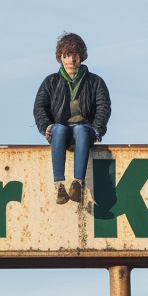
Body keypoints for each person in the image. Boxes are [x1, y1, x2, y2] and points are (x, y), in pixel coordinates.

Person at [33, 32, 111, 206]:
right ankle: (59, 185)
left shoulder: (95, 82)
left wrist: (97, 128)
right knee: (59, 129)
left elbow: (103, 107)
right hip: (60, 129)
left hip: (84, 129)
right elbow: (39, 107)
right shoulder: (51, 82)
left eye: (74, 55)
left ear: (81, 57)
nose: (70, 60)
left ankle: (78, 183)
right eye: (66, 55)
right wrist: (46, 126)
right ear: (60, 57)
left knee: (81, 129)